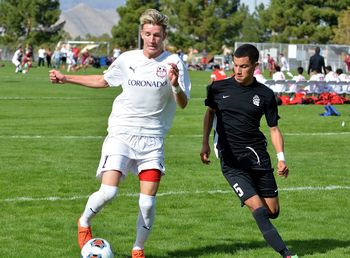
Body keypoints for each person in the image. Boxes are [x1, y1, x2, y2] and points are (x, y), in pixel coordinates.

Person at [49, 9, 191, 258]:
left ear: (164, 36)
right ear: (141, 34)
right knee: (109, 192)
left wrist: (175, 84)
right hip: (122, 133)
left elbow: (183, 103)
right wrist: (66, 78)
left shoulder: (174, 63)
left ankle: (138, 249)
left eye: (157, 34)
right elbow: (104, 80)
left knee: (147, 203)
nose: (152, 39)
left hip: (152, 139)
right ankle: (84, 221)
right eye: (147, 34)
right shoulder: (127, 59)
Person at [200, 44, 297, 258]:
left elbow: (273, 128)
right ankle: (287, 254)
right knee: (258, 210)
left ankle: (250, 195)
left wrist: (281, 158)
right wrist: (205, 143)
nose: (238, 71)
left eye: (243, 66)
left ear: (255, 65)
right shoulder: (217, 88)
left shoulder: (265, 94)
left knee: (272, 211)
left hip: (258, 156)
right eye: (235, 65)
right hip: (231, 160)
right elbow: (209, 114)